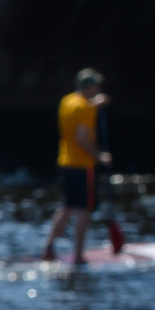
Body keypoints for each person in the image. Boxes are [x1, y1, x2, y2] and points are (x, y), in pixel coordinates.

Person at [43, 67, 111, 265]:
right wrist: (100, 157)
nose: (99, 88)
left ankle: (48, 247)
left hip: (65, 163)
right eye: (96, 85)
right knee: (84, 209)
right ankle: (79, 255)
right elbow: (82, 137)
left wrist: (94, 105)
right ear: (89, 87)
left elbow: (80, 110)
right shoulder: (84, 108)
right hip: (83, 166)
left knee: (66, 207)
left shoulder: (67, 101)